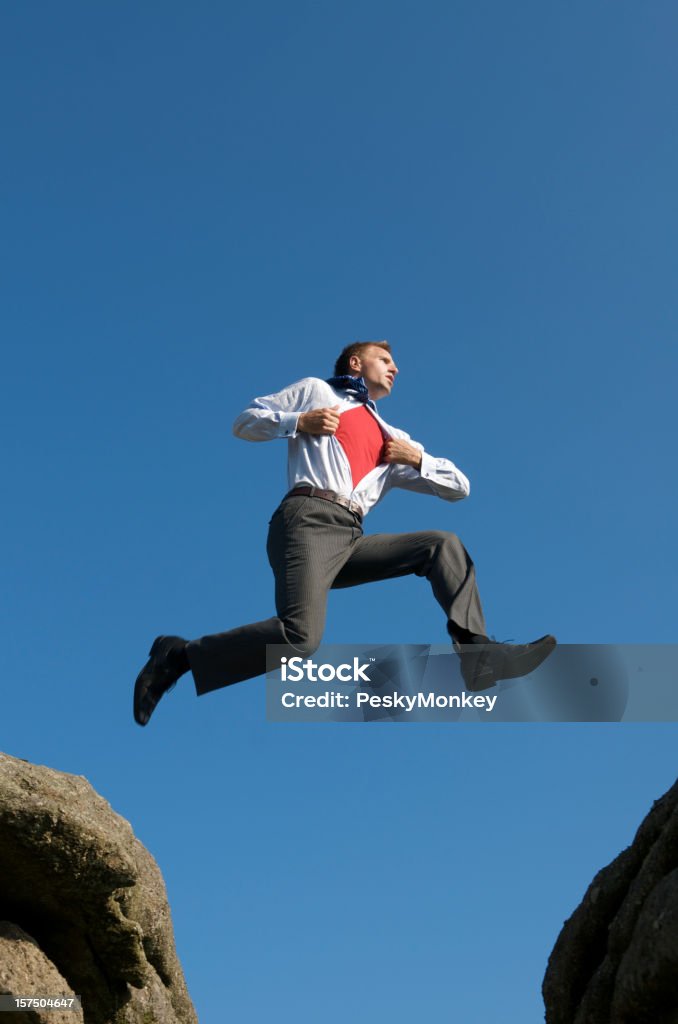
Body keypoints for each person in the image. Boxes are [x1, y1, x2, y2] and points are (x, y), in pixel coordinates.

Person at [133, 340, 555, 726]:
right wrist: (299, 421)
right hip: (308, 519)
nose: (395, 369)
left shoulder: (394, 437)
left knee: (441, 545)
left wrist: (418, 458)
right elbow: (246, 422)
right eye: (385, 360)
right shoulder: (318, 391)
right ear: (357, 363)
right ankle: (180, 655)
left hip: (352, 536)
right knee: (300, 639)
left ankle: (477, 656)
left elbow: (460, 488)